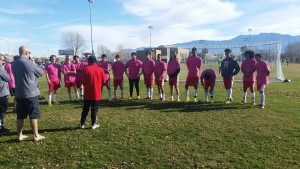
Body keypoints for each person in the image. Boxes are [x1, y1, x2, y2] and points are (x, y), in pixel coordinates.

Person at [12, 46, 45, 141]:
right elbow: (40, 72)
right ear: (26, 53)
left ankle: (19, 135)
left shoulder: (14, 63)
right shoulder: (29, 63)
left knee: (20, 116)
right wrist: (33, 62)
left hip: (19, 93)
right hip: (31, 93)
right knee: (33, 115)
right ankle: (35, 135)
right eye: (29, 52)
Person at [79, 56, 106, 129]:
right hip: (96, 93)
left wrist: (85, 83)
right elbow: (104, 81)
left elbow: (81, 80)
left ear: (89, 61)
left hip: (87, 93)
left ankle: (82, 124)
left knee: (85, 109)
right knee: (94, 109)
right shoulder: (100, 69)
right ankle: (93, 123)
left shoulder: (85, 69)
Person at [0, 54, 10, 133]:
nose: (3, 62)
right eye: (2, 60)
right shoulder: (1, 69)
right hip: (2, 94)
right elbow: (8, 78)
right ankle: (0, 127)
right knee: (1, 110)